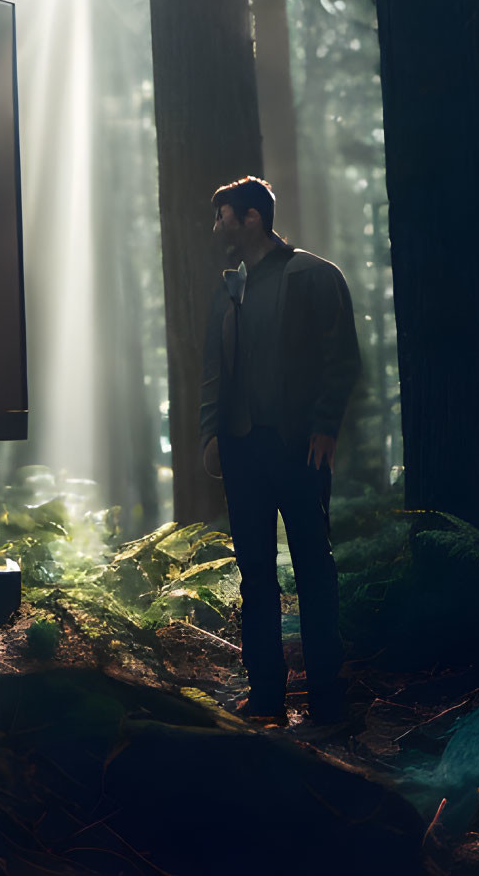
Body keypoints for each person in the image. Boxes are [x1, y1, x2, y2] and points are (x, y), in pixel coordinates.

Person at [200, 176, 361, 726]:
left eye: (223, 215)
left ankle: (328, 701)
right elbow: (213, 371)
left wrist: (325, 427)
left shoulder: (314, 275)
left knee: (315, 570)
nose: (217, 225)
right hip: (244, 452)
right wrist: (210, 435)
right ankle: (267, 696)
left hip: (299, 449)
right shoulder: (230, 288)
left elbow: (342, 358)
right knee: (255, 574)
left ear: (251, 219)